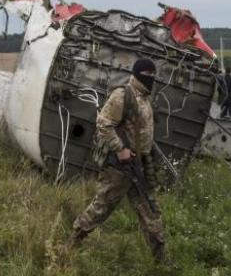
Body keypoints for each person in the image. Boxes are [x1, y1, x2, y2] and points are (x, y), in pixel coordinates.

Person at [67, 58, 168, 263]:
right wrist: (120, 148)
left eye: (153, 75)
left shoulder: (146, 98)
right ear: (139, 74)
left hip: (140, 166)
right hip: (120, 167)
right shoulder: (123, 95)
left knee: (150, 210)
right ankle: (71, 243)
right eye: (148, 75)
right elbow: (103, 124)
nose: (151, 79)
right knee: (101, 208)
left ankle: (161, 259)